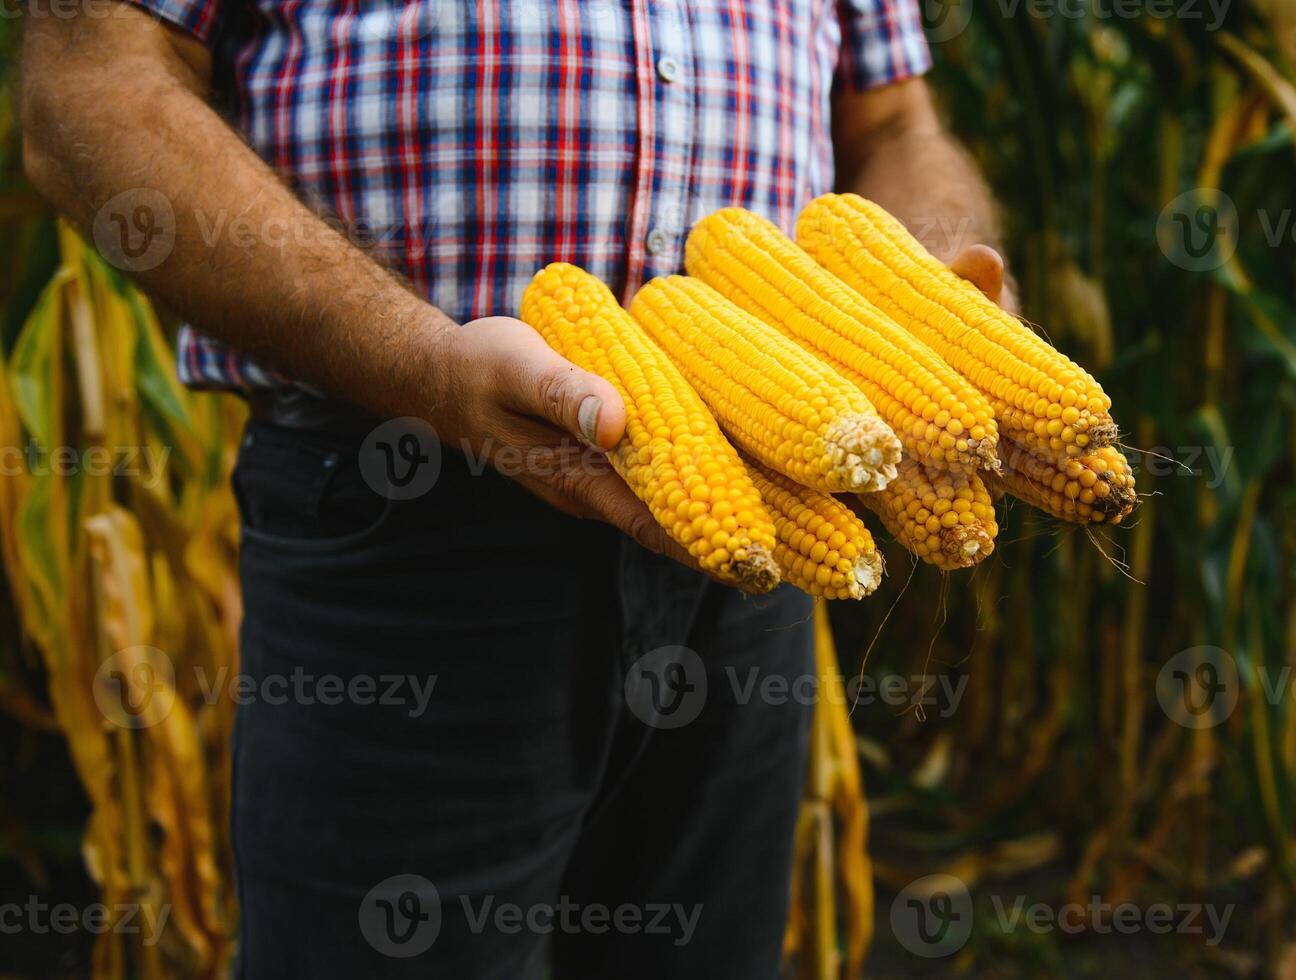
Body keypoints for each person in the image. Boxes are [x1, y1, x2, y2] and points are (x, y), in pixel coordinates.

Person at [20, 1, 1014, 975]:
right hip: (402, 507)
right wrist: (421, 362)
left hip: (767, 528)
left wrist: (928, 299)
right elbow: (90, 83)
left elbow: (894, 123)